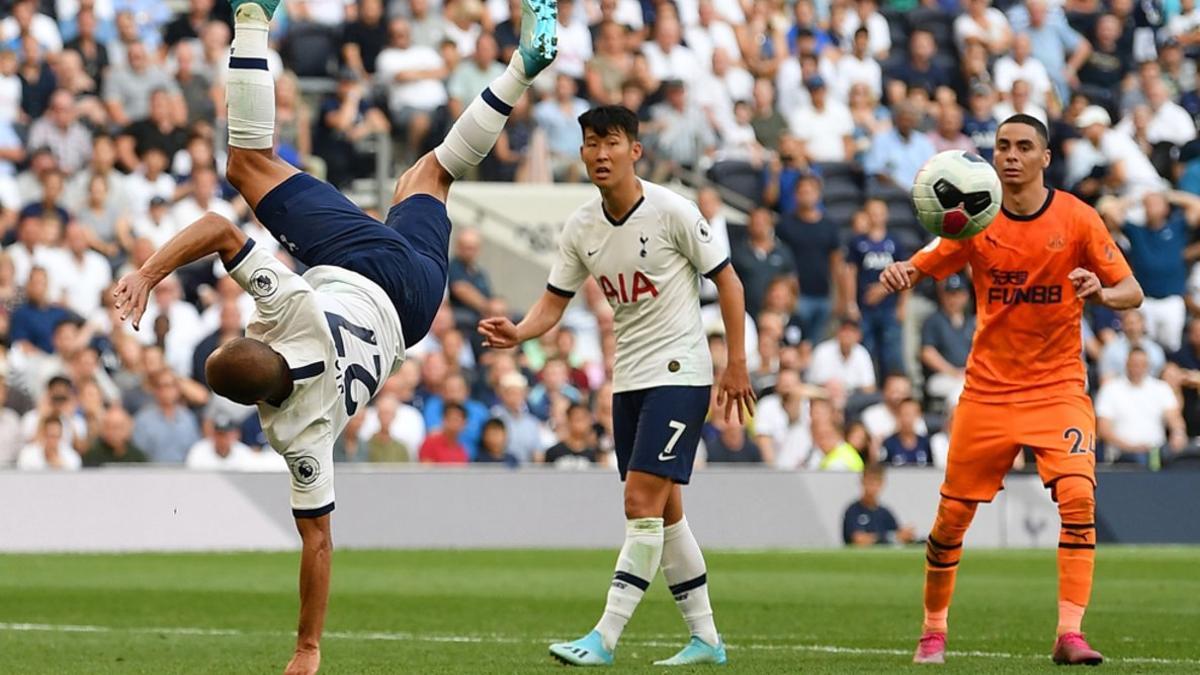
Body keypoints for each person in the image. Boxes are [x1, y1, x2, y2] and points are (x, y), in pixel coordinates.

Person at [111, 0, 560, 671]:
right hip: (361, 269)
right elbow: (220, 227)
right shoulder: (292, 311)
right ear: (257, 344)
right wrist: (147, 272)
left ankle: (524, 64)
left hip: (414, 311)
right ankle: (255, 19)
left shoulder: (298, 433)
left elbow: (316, 541)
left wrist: (309, 647)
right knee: (245, 165)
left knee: (429, 175)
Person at [479, 105, 754, 666]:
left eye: (610, 142)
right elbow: (554, 301)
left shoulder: (672, 210)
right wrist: (519, 330)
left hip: (681, 374)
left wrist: (738, 363)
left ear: (636, 150)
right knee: (666, 510)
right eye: (589, 143)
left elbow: (728, 280)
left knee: (638, 503)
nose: (599, 153)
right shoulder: (582, 226)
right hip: (629, 379)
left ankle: (603, 638)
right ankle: (707, 640)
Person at [880, 113, 1143, 665]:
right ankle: (933, 631)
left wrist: (1100, 290)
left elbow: (1131, 291)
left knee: (1078, 499)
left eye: (1024, 147)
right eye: (1003, 146)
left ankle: (1069, 633)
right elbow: (925, 263)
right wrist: (904, 271)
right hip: (988, 395)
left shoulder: (1077, 219)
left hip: (1058, 389)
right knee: (950, 521)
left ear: (1046, 158)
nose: (1011, 155)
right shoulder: (975, 219)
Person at [842, 464, 915, 546]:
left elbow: (900, 536)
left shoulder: (885, 513)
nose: (871, 486)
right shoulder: (853, 511)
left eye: (875, 482)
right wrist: (890, 537)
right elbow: (859, 539)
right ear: (862, 482)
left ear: (882, 484)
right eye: (868, 481)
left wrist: (905, 536)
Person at [543, 402, 601, 468]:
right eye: (577, 419)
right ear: (568, 420)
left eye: (584, 419)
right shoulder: (553, 452)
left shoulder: (596, 454)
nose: (581, 424)